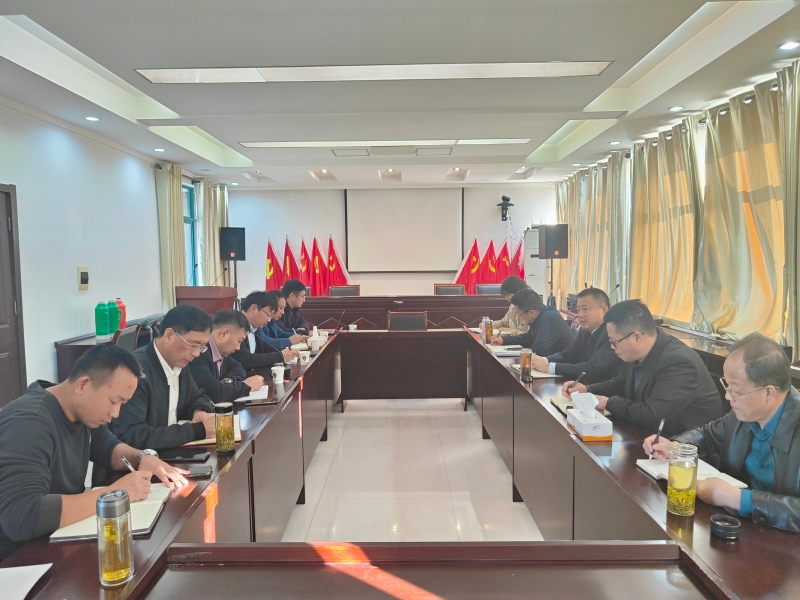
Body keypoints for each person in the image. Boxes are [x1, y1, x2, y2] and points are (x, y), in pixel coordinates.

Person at [0, 345, 188, 561]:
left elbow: (107, 447)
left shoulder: (78, 410)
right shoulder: (30, 423)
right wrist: (114, 494)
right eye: (113, 401)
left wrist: (143, 458)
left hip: (59, 539)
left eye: (122, 404)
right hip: (20, 559)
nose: (115, 413)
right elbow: (22, 517)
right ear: (82, 385)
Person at [644, 333, 800, 533]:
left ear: (768, 392)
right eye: (726, 386)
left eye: (735, 390)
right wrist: (676, 446)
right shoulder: (742, 415)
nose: (727, 396)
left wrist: (736, 499)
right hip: (741, 528)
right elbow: (709, 435)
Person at [564, 299, 722, 435]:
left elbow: (651, 415)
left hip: (683, 446)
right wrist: (587, 389)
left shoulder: (680, 363)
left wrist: (608, 403)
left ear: (636, 337)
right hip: (649, 435)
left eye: (614, 341)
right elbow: (620, 383)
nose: (612, 347)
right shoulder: (636, 352)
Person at [109, 304, 217, 452]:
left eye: (202, 347)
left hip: (173, 453)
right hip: (140, 461)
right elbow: (133, 436)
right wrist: (197, 430)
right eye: (193, 344)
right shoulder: (135, 372)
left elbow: (197, 396)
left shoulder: (179, 362)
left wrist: (199, 411)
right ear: (169, 335)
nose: (196, 353)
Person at [530, 287, 622, 383]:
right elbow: (567, 355)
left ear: (604, 310)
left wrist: (549, 367)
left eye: (585, 309)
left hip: (605, 389)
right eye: (578, 310)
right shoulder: (585, 330)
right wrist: (543, 360)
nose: (580, 315)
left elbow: (591, 368)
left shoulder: (613, 335)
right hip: (585, 385)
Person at [189, 310, 265, 403]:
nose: (238, 348)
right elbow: (215, 394)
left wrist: (227, 381)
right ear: (224, 334)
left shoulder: (221, 352)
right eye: (239, 341)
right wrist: (246, 386)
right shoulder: (199, 353)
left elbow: (238, 367)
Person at [491, 288, 573, 356]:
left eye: (519, 314)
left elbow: (539, 350)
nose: (519, 316)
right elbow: (528, 338)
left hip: (561, 365)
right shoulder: (540, 314)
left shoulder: (549, 319)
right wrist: (504, 340)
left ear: (531, 312)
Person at [231, 291, 299, 373]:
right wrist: (280, 356)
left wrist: (286, 351)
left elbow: (265, 346)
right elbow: (246, 360)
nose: (269, 320)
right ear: (254, 308)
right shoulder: (236, 325)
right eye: (268, 315)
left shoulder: (254, 327)